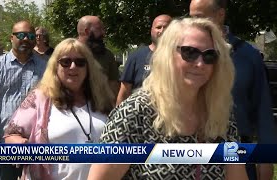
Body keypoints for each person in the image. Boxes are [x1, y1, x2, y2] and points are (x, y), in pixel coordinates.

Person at [88, 17, 248, 180]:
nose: (200, 63)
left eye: (209, 56)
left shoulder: (221, 114)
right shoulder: (134, 113)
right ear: (168, 54)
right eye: (190, 52)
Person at [4, 38, 115, 180]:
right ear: (55, 66)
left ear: (88, 68)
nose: (73, 67)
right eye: (66, 62)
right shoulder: (40, 98)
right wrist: (23, 146)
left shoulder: (103, 99)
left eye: (80, 62)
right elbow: (10, 135)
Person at [189, 0, 277, 179]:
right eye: (190, 17)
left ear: (220, 15)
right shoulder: (184, 54)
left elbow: (262, 110)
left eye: (198, 17)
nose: (192, 23)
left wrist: (266, 158)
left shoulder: (247, 56)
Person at [0, 20, 46, 180]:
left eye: (30, 36)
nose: (26, 39)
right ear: (11, 38)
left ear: (35, 39)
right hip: (4, 144)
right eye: (21, 35)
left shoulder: (46, 68)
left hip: (37, 145)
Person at [116, 14, 172, 105]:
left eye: (166, 27)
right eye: (158, 27)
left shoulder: (181, 57)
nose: (162, 30)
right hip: (141, 115)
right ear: (151, 31)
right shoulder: (135, 57)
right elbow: (124, 93)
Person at [77, 15, 120, 97]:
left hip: (101, 107)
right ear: (87, 31)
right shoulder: (68, 53)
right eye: (99, 29)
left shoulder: (107, 55)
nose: (103, 33)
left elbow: (113, 86)